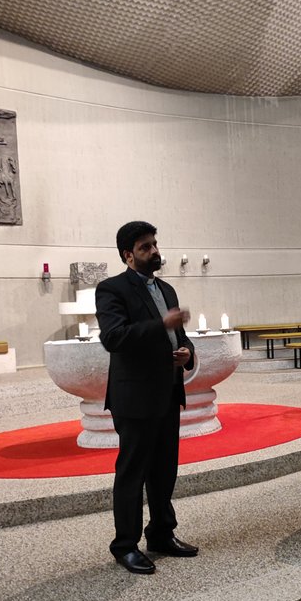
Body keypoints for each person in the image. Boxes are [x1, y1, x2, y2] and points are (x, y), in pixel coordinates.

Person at [95, 220, 197, 574]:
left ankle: (161, 534)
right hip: (135, 397)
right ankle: (125, 545)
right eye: (145, 247)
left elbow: (179, 335)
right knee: (132, 473)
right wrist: (162, 325)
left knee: (164, 469)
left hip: (167, 391)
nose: (154, 251)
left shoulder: (166, 289)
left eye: (154, 244)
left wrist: (187, 351)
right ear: (128, 255)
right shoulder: (112, 289)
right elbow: (114, 337)